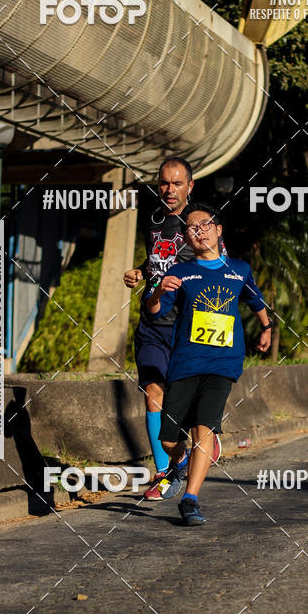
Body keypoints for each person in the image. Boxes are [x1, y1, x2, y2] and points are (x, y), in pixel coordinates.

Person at [146, 206, 272, 525]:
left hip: (223, 364)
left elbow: (255, 301)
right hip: (185, 363)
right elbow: (156, 312)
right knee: (168, 439)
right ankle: (181, 459)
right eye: (191, 228)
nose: (198, 230)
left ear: (218, 229)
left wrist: (267, 328)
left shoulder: (239, 269)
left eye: (205, 224)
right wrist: (159, 290)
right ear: (186, 238)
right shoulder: (181, 273)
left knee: (204, 428)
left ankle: (190, 501)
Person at [123, 158, 222, 501]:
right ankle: (165, 472)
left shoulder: (200, 225)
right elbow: (155, 262)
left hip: (186, 328)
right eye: (164, 183)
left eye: (177, 183)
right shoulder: (151, 221)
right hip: (152, 323)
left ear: (190, 187)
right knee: (152, 392)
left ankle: (191, 446)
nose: (169, 189)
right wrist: (138, 273)